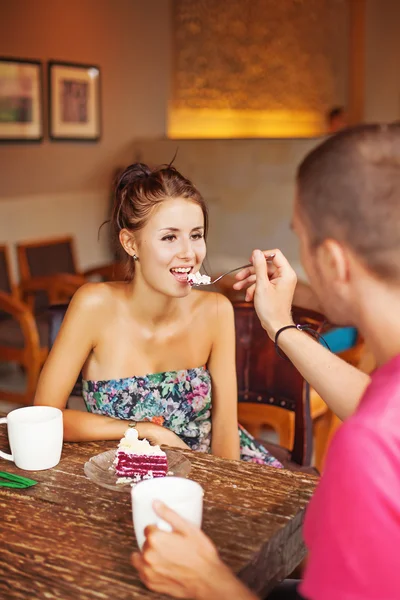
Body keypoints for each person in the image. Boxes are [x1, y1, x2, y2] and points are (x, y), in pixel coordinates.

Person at [132, 124, 400, 599]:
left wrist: (209, 584)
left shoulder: (365, 451)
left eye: (302, 239)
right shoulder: (383, 408)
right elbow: (375, 404)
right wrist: (280, 323)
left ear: (335, 263)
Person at [34, 162, 282, 468]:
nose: (189, 254)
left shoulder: (216, 311)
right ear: (130, 243)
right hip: (125, 475)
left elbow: (225, 429)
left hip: (209, 472)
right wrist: (147, 432)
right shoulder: (93, 305)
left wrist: (224, 492)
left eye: (196, 235)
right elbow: (45, 416)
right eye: (169, 237)